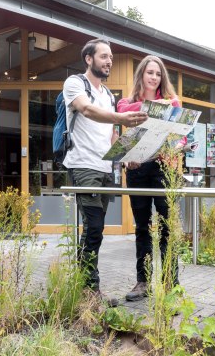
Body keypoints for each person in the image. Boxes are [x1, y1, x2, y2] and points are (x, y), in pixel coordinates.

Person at [63, 38, 148, 306]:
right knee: (93, 228)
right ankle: (90, 292)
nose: (109, 61)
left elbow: (111, 134)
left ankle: (86, 288)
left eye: (110, 57)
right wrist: (121, 118)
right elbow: (87, 110)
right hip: (83, 164)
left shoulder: (109, 95)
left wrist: (126, 157)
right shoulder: (76, 84)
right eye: (103, 56)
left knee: (94, 229)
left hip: (103, 168)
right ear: (89, 59)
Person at [117, 55, 184, 302]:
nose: (154, 77)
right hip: (137, 169)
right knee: (142, 228)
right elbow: (121, 111)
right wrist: (150, 108)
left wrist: (178, 144)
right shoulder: (128, 103)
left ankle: (170, 284)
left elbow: (181, 137)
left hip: (164, 169)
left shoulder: (172, 103)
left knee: (168, 228)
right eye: (150, 73)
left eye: (158, 74)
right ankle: (143, 282)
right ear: (141, 75)